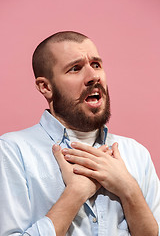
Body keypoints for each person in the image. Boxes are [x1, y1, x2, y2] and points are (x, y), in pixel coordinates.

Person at [0, 31, 160, 236]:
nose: (93, 77)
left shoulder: (136, 154)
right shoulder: (12, 152)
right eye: (75, 69)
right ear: (45, 87)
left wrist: (129, 189)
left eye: (96, 65)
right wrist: (75, 193)